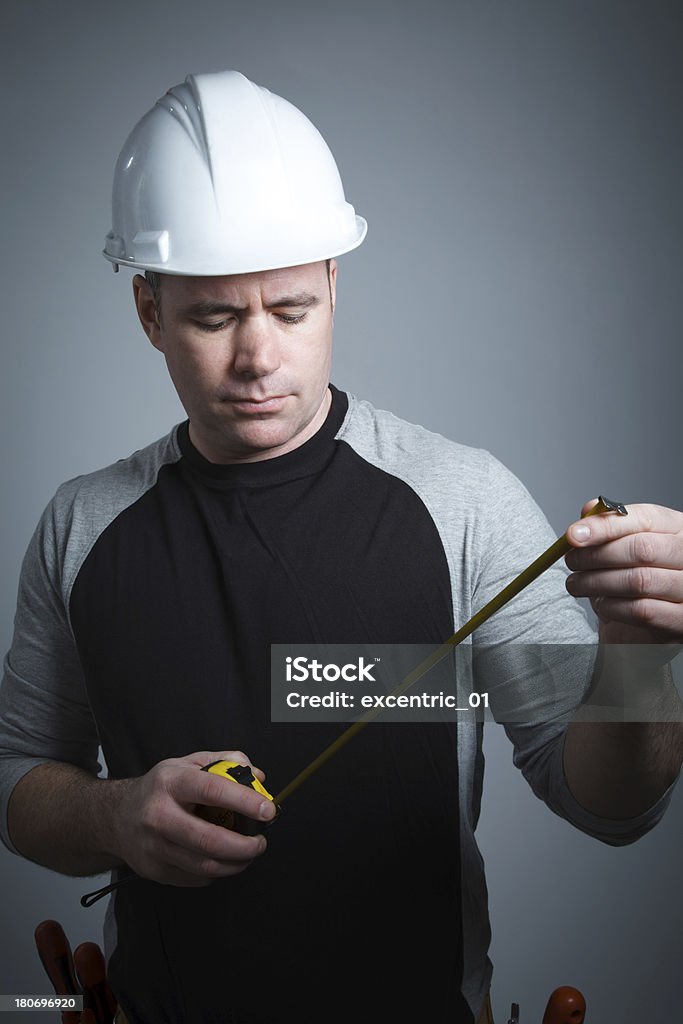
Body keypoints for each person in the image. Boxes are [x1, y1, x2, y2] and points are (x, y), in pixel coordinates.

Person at [0, 69, 681, 1024]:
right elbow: (17, 778)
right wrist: (113, 817)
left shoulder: (462, 501)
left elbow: (611, 807)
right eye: (212, 316)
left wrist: (641, 649)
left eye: (289, 310)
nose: (258, 359)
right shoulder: (83, 525)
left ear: (331, 283)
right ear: (149, 310)